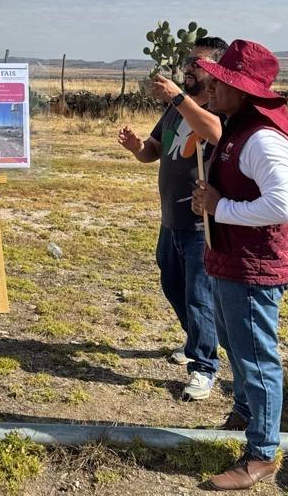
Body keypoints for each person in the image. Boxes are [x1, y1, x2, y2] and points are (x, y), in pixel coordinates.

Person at [191, 40, 288, 490]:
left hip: (253, 267)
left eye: (223, 81)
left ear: (245, 91)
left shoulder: (263, 138)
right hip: (232, 261)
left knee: (256, 359)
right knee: (239, 350)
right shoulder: (240, 127)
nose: (213, 86)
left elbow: (281, 205)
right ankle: (246, 414)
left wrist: (221, 208)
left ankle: (261, 455)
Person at [117, 36, 227, 402]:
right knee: (173, 285)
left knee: (199, 296)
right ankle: (197, 339)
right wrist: (137, 148)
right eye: (190, 61)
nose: (189, 68)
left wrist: (177, 96)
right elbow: (155, 151)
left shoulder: (218, 109)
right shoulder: (174, 111)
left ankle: (204, 367)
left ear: (216, 70)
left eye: (198, 63)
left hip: (200, 223)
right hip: (171, 219)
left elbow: (214, 132)